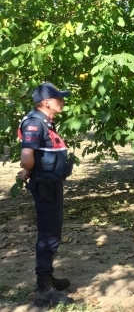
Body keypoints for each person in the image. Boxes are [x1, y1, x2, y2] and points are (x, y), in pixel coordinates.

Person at [17, 83, 75, 307]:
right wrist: (28, 169)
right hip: (45, 186)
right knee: (49, 236)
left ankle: (47, 278)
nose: (62, 101)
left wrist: (30, 169)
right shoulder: (34, 123)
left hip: (51, 184)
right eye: (59, 98)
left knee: (53, 233)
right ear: (46, 102)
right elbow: (26, 157)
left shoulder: (45, 122)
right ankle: (43, 290)